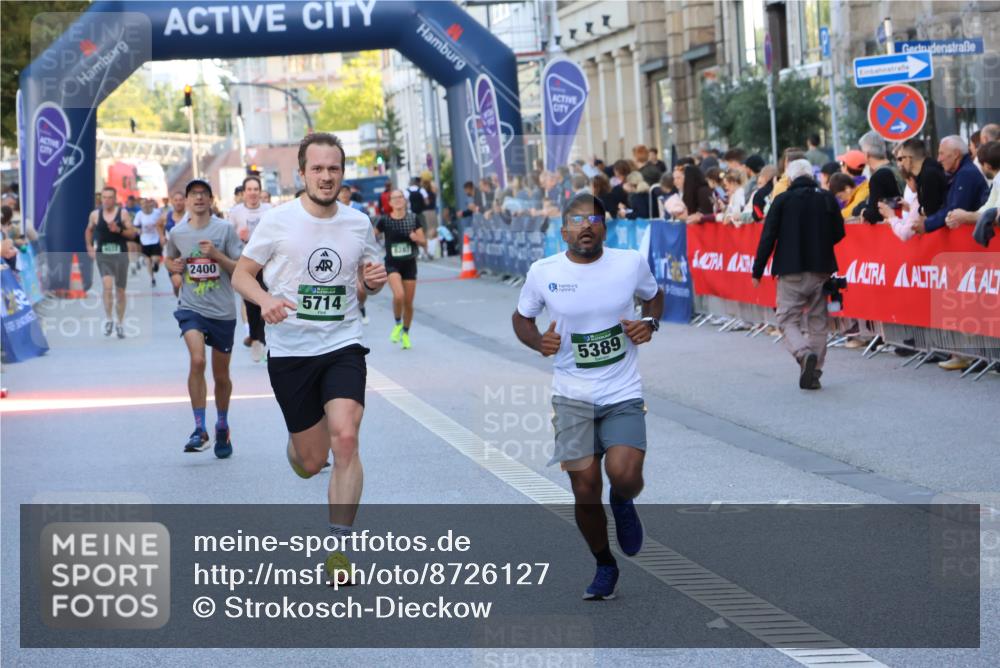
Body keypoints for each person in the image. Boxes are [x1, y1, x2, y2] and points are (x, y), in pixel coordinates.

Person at [233, 133, 387, 582]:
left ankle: (339, 547)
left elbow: (367, 280)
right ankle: (300, 451)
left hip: (342, 342)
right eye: (317, 169)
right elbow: (242, 275)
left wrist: (373, 282)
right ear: (301, 173)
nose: (326, 176)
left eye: (333, 169)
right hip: (291, 350)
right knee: (312, 459)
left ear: (343, 173)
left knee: (346, 438)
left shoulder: (359, 223)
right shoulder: (278, 221)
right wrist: (264, 301)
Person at [512, 193, 664, 600]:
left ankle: (624, 501)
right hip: (571, 395)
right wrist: (536, 341)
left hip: (621, 390)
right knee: (583, 488)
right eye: (576, 221)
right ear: (564, 231)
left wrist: (649, 321)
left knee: (625, 475)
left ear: (604, 227)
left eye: (593, 219)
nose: (585, 226)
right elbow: (522, 317)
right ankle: (604, 564)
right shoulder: (543, 272)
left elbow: (654, 295)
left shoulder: (629, 262)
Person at [163, 179, 243, 457]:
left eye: (203, 194)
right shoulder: (178, 232)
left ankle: (222, 425)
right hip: (191, 307)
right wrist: (173, 269)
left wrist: (217, 255)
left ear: (210, 200)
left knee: (221, 375)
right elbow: (169, 259)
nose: (198, 198)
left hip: (222, 311)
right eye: (193, 194)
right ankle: (200, 428)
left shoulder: (225, 229)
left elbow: (241, 269)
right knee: (197, 360)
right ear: (185, 201)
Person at [752, 160, 845, 390]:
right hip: (821, 269)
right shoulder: (825, 197)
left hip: (790, 270)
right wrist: (822, 245)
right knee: (818, 321)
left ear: (791, 179)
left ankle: (803, 355)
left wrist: (758, 270)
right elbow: (839, 231)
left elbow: (768, 237)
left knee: (787, 319)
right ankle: (815, 371)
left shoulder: (782, 200)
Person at [229, 176, 274, 362]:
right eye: (250, 189)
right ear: (244, 192)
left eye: (256, 189)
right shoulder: (236, 212)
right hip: (245, 261)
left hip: (267, 262)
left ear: (260, 192)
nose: (253, 193)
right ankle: (255, 338)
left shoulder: (269, 211)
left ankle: (262, 339)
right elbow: (229, 237)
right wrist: (238, 238)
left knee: (264, 297)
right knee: (250, 301)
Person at [85, 186, 139, 339]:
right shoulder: (95, 215)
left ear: (115, 199)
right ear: (101, 199)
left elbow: (132, 233)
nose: (107, 200)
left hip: (120, 255)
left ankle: (120, 323)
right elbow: (88, 230)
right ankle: (109, 319)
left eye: (110, 197)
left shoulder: (122, 214)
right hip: (104, 255)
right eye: (104, 197)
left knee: (120, 291)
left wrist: (119, 230)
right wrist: (89, 246)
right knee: (107, 287)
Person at [376, 190, 427, 349]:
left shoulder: (413, 219)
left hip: (409, 264)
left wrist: (416, 239)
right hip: (392, 263)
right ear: (389, 202)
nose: (398, 200)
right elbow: (370, 236)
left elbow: (425, 242)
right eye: (394, 198)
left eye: (400, 197)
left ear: (405, 201)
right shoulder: (385, 220)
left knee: (408, 303)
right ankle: (398, 323)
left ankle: (405, 333)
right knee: (399, 295)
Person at [918, 135, 989, 235]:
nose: (938, 159)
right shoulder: (961, 173)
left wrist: (927, 224)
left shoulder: (966, 174)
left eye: (941, 153)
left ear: (956, 154)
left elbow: (955, 210)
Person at [947, 141, 1000, 226]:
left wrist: (966, 216)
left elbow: (996, 214)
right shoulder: (996, 181)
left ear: (987, 166)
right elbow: (989, 206)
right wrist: (962, 216)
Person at [856, 131, 902, 224]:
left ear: (866, 154)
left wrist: (864, 212)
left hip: (892, 230)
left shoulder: (878, 177)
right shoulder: (898, 168)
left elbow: (875, 214)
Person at [160, 190, 188, 297]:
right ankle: (180, 299)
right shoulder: (166, 216)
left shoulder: (190, 216)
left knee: (186, 282)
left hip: (187, 254)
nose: (178, 202)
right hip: (171, 255)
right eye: (176, 200)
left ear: (185, 201)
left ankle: (185, 302)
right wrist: (162, 236)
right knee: (177, 283)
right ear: (172, 202)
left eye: (181, 200)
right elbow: (158, 225)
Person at [134, 197, 164, 287]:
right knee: (147, 261)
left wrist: (162, 233)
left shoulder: (157, 213)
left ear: (149, 204)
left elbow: (162, 222)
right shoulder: (139, 214)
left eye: (146, 203)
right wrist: (138, 231)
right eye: (142, 204)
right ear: (141, 206)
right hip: (144, 240)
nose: (145, 205)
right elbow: (135, 226)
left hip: (155, 238)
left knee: (155, 259)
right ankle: (152, 279)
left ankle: (156, 264)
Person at [837, 149, 869, 219]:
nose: (840, 167)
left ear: (846, 167)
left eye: (842, 163)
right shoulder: (865, 185)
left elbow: (852, 210)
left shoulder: (841, 186)